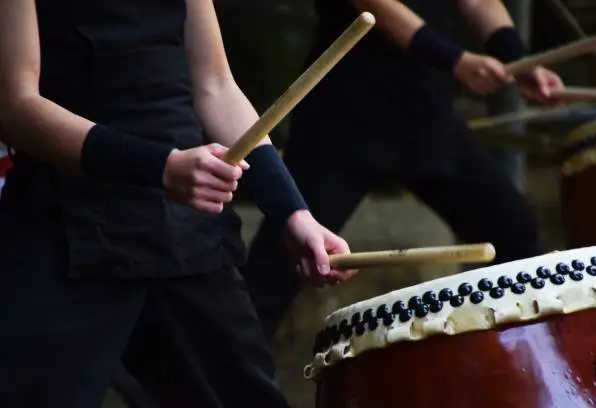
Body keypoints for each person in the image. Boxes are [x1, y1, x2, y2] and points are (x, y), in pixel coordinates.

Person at [0, 0, 357, 407]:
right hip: (62, 228)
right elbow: (16, 108)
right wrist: (162, 167)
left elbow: (216, 86)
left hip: (184, 232)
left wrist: (293, 212)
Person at [239, 0, 567, 340]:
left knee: (515, 233)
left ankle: (516, 366)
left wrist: (516, 58)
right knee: (275, 271)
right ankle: (220, 379)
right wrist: (456, 60)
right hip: (345, 116)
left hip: (425, 113)